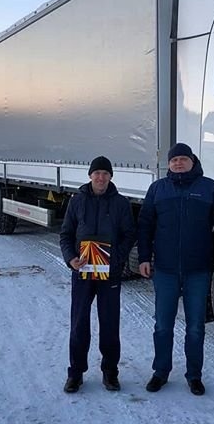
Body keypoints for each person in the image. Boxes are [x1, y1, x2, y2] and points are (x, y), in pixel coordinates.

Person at [138, 142, 214, 396]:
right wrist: (144, 257)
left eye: (182, 158)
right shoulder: (158, 189)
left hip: (198, 270)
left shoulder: (209, 188)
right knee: (162, 325)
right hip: (166, 270)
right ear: (168, 164)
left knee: (195, 327)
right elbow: (145, 226)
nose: (178, 163)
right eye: (173, 160)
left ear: (193, 161)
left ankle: (194, 375)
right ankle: (160, 372)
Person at [60, 156, 135, 393]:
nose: (101, 177)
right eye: (97, 173)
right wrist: (71, 259)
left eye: (105, 173)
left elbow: (128, 235)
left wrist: (116, 260)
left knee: (110, 324)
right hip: (82, 272)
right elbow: (66, 234)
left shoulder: (121, 203)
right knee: (79, 323)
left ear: (111, 176)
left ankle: (110, 372)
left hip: (109, 274)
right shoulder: (77, 201)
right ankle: (75, 373)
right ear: (90, 175)